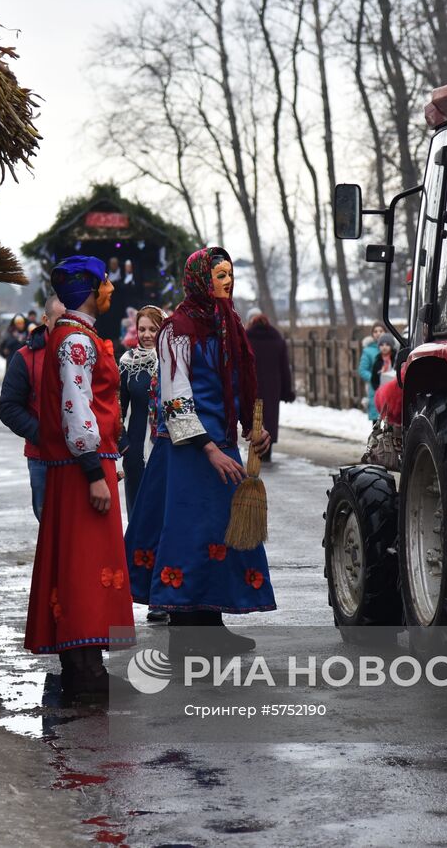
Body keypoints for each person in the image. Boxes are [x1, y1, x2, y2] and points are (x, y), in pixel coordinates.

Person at [127, 247, 273, 656]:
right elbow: (175, 400)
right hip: (188, 451)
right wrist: (209, 449)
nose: (228, 281)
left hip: (222, 445)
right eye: (219, 275)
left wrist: (253, 430)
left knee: (218, 536)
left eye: (230, 273)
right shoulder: (177, 329)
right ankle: (182, 635)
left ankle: (211, 625)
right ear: (199, 280)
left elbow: (241, 384)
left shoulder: (230, 325)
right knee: (187, 537)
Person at [24, 257, 134, 697]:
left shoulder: (75, 336)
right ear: (89, 290)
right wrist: (93, 471)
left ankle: (84, 662)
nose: (110, 289)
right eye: (105, 282)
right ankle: (86, 669)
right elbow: (77, 407)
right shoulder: (76, 342)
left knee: (80, 563)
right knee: (86, 564)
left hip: (79, 465)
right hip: (80, 468)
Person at [0, 297, 64, 521]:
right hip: (41, 456)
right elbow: (8, 407)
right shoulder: (25, 357)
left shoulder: (86, 351)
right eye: (60, 320)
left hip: (82, 458)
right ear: (45, 319)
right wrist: (41, 434)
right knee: (47, 523)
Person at [120, 306, 164, 510]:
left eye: (153, 330)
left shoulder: (172, 360)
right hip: (135, 447)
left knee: (161, 506)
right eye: (142, 329)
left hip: (165, 445)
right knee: (137, 506)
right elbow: (117, 407)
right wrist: (123, 444)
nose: (146, 335)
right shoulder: (127, 362)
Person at [245, 309, 294, 463]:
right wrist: (287, 391)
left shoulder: (246, 338)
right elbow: (285, 368)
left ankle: (254, 449)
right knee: (270, 417)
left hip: (252, 384)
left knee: (254, 415)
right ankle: (267, 450)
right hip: (273, 385)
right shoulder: (277, 339)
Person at [358, 323, 385, 420]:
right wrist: (374, 378)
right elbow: (362, 370)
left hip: (389, 386)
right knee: (376, 421)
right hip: (375, 388)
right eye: (375, 331)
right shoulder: (368, 351)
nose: (378, 333)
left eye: (381, 331)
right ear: (372, 334)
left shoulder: (392, 348)